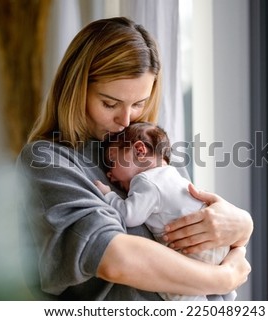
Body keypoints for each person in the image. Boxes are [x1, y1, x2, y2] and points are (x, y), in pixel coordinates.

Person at [16, 16, 253, 300]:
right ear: (76, 89)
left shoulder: (147, 148)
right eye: (110, 103)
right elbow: (114, 256)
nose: (126, 119)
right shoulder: (48, 160)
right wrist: (222, 278)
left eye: (139, 104)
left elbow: (203, 235)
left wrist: (241, 227)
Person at [95, 122, 237, 301]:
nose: (110, 173)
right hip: (214, 242)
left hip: (192, 248)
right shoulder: (172, 174)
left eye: (112, 161)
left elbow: (128, 216)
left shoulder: (146, 181)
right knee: (216, 284)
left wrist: (110, 195)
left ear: (139, 150)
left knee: (174, 289)